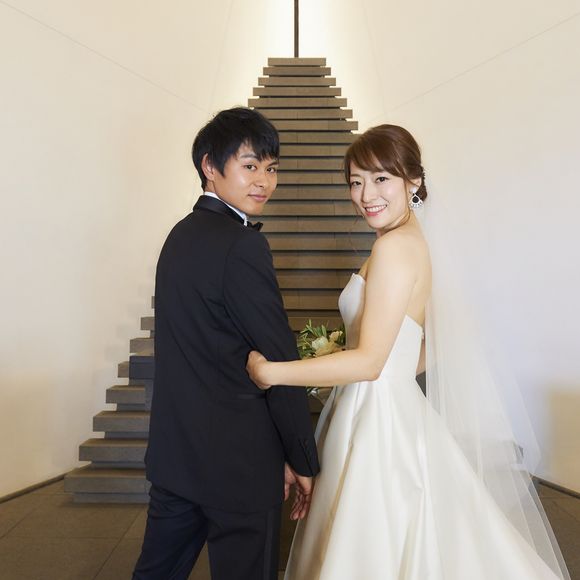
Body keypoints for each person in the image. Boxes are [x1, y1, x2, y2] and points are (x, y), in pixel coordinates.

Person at [247, 124, 570, 579]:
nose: (366, 195)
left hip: (379, 421)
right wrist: (392, 369)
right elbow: (430, 344)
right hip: (388, 406)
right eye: (356, 182)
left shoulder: (395, 248)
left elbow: (369, 361)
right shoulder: (413, 242)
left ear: (413, 181)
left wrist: (271, 373)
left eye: (381, 179)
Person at [133, 107, 320, 580]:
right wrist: (300, 457)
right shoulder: (242, 244)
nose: (264, 181)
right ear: (209, 167)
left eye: (271, 169)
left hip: (177, 456)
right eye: (250, 165)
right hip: (239, 463)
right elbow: (277, 356)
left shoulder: (179, 236)